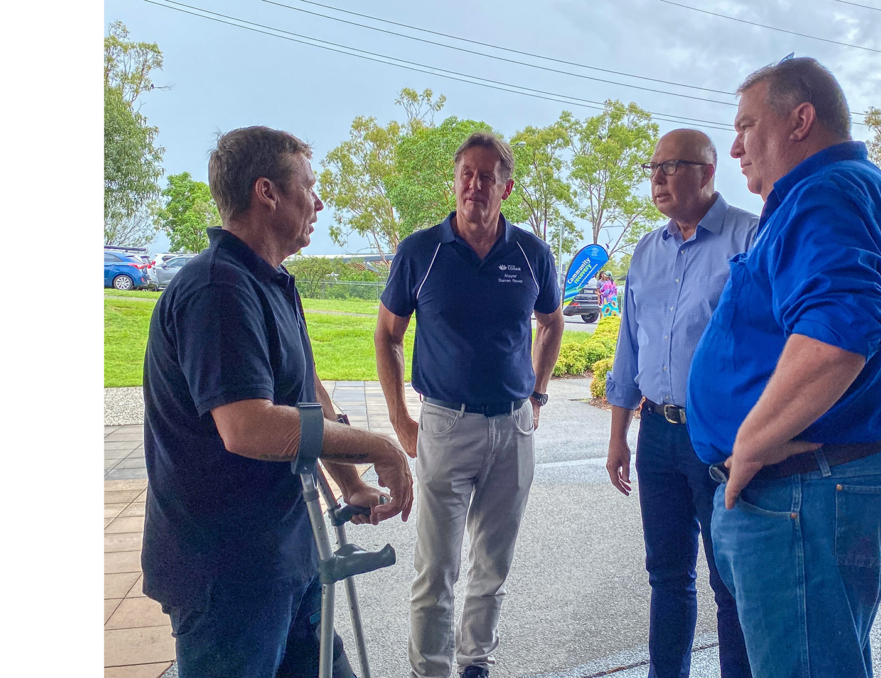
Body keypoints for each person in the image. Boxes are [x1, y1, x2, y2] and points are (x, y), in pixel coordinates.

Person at [604, 128, 881, 678]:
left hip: (737, 447)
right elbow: (629, 348)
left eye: (672, 165)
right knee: (666, 576)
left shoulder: (755, 233)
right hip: (658, 434)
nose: (659, 177)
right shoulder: (646, 251)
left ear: (707, 171)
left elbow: (819, 333)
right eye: (654, 168)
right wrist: (620, 433)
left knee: (732, 586)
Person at [685, 58, 881, 678]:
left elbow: (836, 337)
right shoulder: (851, 190)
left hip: (803, 489)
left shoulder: (822, 194)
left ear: (800, 120)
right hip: (824, 482)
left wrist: (749, 443)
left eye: (746, 125)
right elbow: (860, 334)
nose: (735, 146)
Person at [140, 126, 414, 678]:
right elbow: (250, 427)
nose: (319, 201)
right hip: (227, 575)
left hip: (288, 555)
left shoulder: (272, 281)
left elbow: (305, 392)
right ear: (267, 193)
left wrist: (350, 480)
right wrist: (378, 445)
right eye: (308, 187)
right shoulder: (217, 288)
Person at [373, 132, 566, 678]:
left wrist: (538, 393)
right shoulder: (422, 252)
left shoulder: (531, 254)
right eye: (467, 174)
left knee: (492, 563)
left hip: (514, 429)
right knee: (436, 568)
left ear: (506, 187)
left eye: (487, 177)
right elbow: (387, 335)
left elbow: (551, 324)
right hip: (445, 424)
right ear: (454, 181)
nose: (475, 185)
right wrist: (399, 419)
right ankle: (430, 671)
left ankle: (475, 661)